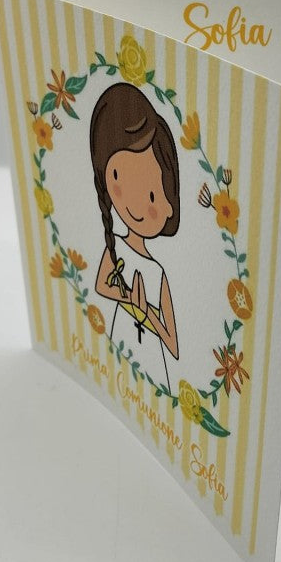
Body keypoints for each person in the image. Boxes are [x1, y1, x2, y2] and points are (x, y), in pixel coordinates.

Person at [90, 82, 180, 390]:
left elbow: (173, 344)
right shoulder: (115, 246)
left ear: (169, 206)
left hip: (151, 361)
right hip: (121, 347)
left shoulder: (157, 272)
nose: (135, 203)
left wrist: (147, 313)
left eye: (152, 195)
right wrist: (129, 298)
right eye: (118, 178)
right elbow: (101, 285)